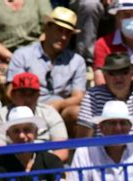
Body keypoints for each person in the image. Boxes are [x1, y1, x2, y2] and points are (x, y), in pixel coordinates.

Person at [7, 7, 87, 138]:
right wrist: (34, 106)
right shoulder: (23, 55)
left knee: (77, 113)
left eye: (68, 33)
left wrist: (59, 104)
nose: (63, 37)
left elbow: (79, 97)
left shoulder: (77, 61)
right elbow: (11, 91)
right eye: (59, 30)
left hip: (61, 111)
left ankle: (80, 154)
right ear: (47, 28)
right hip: (27, 107)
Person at [76, 52, 133, 138]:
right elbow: (83, 141)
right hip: (103, 155)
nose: (118, 78)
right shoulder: (93, 96)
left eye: (124, 72)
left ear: (132, 72)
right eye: (112, 73)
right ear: (104, 75)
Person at [0, 72, 69, 162]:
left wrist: (37, 167)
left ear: (39, 95)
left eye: (32, 94)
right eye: (22, 93)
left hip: (47, 169)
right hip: (12, 171)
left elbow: (62, 151)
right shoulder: (0, 116)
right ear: (12, 95)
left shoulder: (49, 113)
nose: (27, 99)